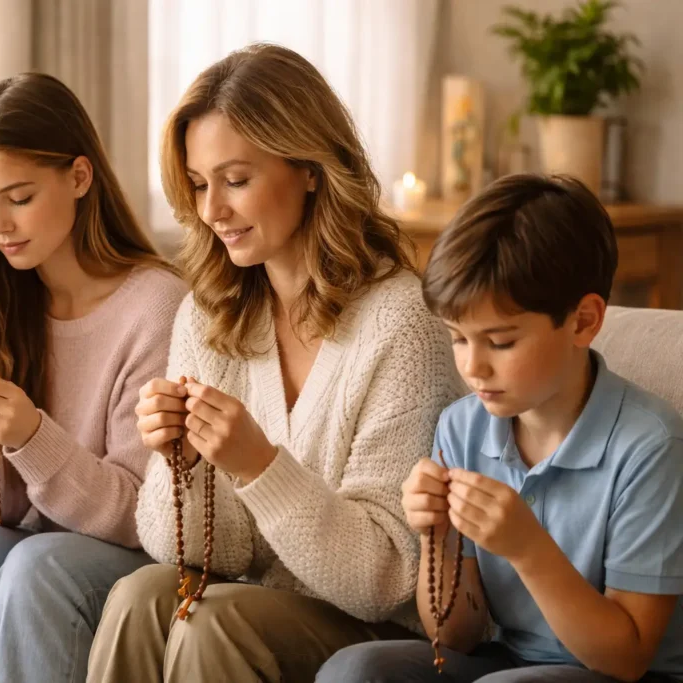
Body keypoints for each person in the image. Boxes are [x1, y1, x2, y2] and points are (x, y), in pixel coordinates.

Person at [86, 43, 465, 683]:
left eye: (236, 181)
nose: (212, 212)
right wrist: (184, 466)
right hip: (259, 600)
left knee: (215, 619)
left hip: (372, 630)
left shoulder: (400, 322)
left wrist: (257, 464)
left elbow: (386, 577)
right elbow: (204, 547)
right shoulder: (209, 315)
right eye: (200, 185)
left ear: (311, 168)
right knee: (137, 596)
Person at [317, 174, 683, 682]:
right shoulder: (462, 428)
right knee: (356, 669)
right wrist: (437, 537)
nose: (474, 368)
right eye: (458, 339)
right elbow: (455, 635)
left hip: (619, 676)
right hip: (504, 665)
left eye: (501, 342)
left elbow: (627, 656)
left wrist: (527, 547)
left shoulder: (650, 446)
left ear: (583, 321)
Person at [0, 72, 188, 683]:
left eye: (19, 196)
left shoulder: (156, 307)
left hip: (133, 558)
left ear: (80, 177)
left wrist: (32, 436)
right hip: (33, 547)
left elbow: (142, 514)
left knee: (37, 563)